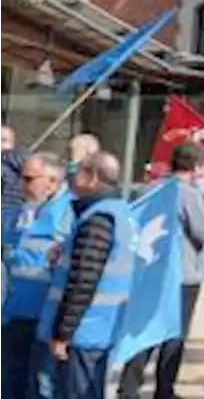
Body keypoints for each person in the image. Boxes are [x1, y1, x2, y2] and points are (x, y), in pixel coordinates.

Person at [119, 141, 204, 399]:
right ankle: (164, 390)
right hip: (182, 275)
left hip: (149, 272)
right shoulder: (188, 194)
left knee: (143, 332)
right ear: (198, 167)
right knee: (174, 336)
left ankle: (129, 388)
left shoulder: (148, 189)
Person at [41, 152, 134, 398]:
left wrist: (63, 333)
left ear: (92, 177)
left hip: (84, 331)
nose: (73, 176)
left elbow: (84, 280)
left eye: (79, 170)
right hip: (101, 327)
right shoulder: (117, 213)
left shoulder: (98, 219)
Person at [0, 153, 72, 399]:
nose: (21, 185)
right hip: (13, 313)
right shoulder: (17, 214)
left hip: (47, 317)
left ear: (52, 182)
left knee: (42, 387)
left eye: (29, 179)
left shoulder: (69, 216)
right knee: (9, 382)